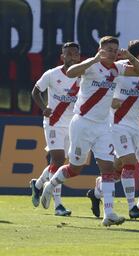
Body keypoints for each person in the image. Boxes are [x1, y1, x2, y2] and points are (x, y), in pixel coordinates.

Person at [40, 36, 139, 227]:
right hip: (82, 124)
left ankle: (109, 213)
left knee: (107, 168)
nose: (113, 53)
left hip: (103, 126)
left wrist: (129, 55)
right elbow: (71, 72)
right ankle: (51, 185)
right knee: (75, 169)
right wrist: (95, 59)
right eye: (109, 49)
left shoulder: (118, 68)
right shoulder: (91, 65)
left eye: (115, 49)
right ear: (100, 49)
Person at [86, 55, 139, 218]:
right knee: (120, 169)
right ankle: (97, 192)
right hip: (125, 128)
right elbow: (118, 103)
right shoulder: (124, 80)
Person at [29, 42, 81, 216]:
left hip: (73, 123)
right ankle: (58, 205)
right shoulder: (51, 74)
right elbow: (35, 92)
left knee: (59, 163)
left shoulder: (83, 77)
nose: (72, 57)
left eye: (75, 54)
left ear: (79, 57)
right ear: (62, 56)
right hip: (53, 122)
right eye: (68, 54)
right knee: (58, 160)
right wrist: (44, 107)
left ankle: (37, 185)